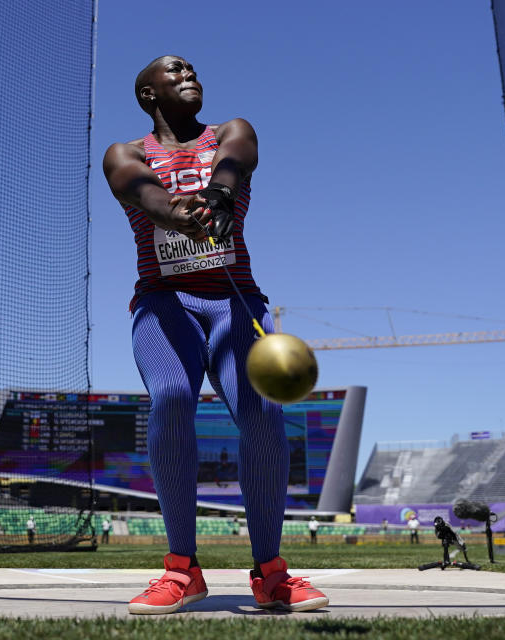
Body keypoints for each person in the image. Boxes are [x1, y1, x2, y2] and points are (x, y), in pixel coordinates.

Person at [104, 55, 328, 615]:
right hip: (163, 303)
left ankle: (271, 573)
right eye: (172, 71)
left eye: (192, 68)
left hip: (236, 302)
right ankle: (182, 571)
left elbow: (235, 161)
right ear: (146, 94)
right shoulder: (125, 152)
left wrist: (220, 196)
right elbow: (138, 190)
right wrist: (172, 213)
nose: (187, 73)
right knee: (173, 398)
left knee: (263, 413)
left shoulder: (232, 130)